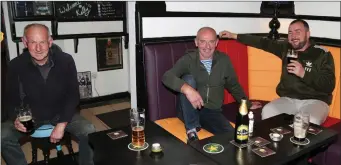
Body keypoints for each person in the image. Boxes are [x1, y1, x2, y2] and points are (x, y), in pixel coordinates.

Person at [1, 23, 96, 165]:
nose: (38, 48)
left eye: (42, 42)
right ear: (25, 42)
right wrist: (16, 118)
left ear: (50, 42)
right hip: (30, 117)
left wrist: (62, 124)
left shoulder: (66, 60)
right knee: (2, 135)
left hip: (61, 114)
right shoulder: (16, 65)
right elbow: (10, 99)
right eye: (33, 42)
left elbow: (73, 95)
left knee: (89, 130)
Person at [219, 19, 335, 125]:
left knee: (306, 121)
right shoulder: (286, 47)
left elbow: (329, 85)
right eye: (290, 32)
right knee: (268, 112)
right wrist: (234, 35)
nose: (293, 36)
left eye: (297, 32)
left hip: (315, 101)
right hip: (288, 99)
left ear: (307, 34)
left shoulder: (321, 54)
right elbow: (262, 42)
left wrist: (304, 73)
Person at [162, 27, 262, 143]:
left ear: (216, 43)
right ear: (196, 42)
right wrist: (188, 89)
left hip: (211, 112)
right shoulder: (188, 59)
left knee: (232, 138)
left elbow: (233, 85)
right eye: (203, 41)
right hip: (188, 110)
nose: (207, 46)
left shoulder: (224, 60)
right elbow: (167, 76)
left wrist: (247, 104)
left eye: (211, 42)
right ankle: (191, 130)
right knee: (188, 79)